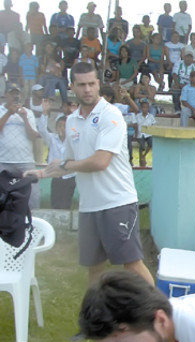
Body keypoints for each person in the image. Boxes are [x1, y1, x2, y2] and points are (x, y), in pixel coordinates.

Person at [25, 62, 154, 286]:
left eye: (92, 84)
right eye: (82, 85)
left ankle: (159, 313)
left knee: (132, 264)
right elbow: (70, 162)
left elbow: (100, 161)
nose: (87, 89)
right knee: (94, 268)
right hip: (89, 207)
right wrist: (41, 172)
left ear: (98, 84)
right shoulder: (72, 121)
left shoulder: (110, 115)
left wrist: (66, 165)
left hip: (118, 203)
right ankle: (97, 318)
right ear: (72, 87)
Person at [0, 87, 40, 209]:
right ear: (6, 95)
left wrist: (24, 118)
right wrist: (9, 113)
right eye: (12, 93)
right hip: (3, 161)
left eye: (17, 93)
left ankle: (34, 221)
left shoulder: (28, 112)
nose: (15, 96)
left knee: (33, 195)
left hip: (25, 161)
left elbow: (34, 137)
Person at [37, 100, 75, 209]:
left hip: (69, 175)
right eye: (60, 126)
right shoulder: (52, 139)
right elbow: (42, 130)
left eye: (65, 126)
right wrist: (44, 113)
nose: (62, 128)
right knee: (55, 201)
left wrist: (74, 115)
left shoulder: (73, 140)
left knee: (66, 202)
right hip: (56, 175)